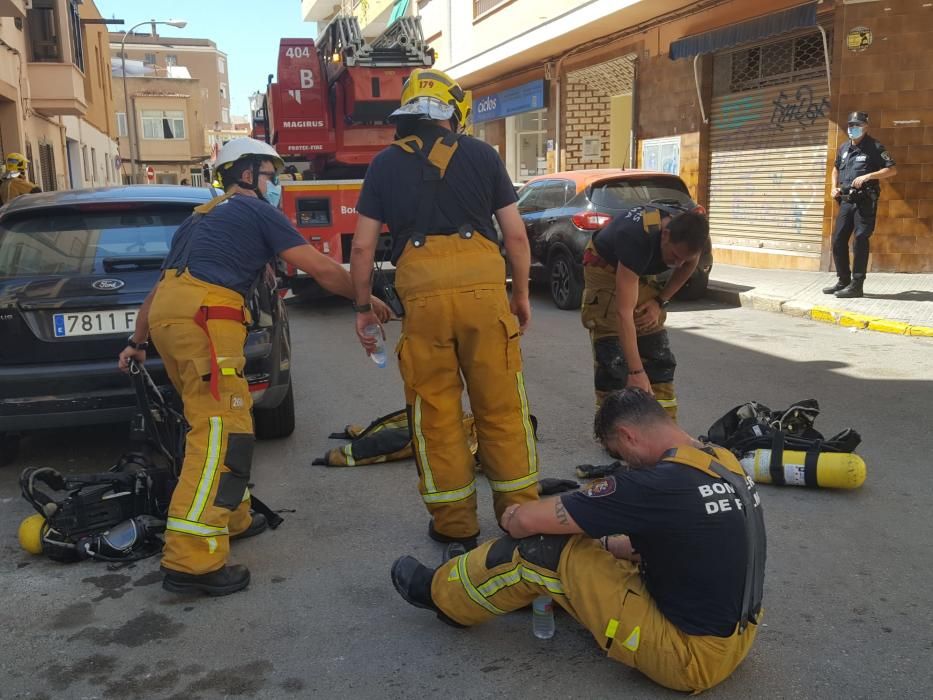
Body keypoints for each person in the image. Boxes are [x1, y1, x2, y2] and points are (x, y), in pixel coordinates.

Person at [118, 137, 390, 596]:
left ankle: (234, 516)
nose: (277, 184)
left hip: (172, 318)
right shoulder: (257, 211)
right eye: (271, 174)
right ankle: (191, 560)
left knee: (225, 421)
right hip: (207, 319)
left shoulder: (199, 219)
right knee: (219, 430)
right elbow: (321, 270)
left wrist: (137, 341)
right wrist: (365, 299)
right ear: (246, 174)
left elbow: (160, 288)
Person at [391, 388, 766, 693]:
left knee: (543, 551)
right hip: (734, 642)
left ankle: (445, 597)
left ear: (628, 436)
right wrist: (603, 544)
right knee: (601, 547)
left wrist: (517, 515)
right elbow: (678, 541)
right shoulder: (720, 461)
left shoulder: (652, 485)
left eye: (620, 455)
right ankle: (535, 593)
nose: (626, 464)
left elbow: (522, 522)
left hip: (686, 657)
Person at [349, 68, 538, 553]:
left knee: (436, 411)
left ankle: (455, 526)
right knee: (501, 407)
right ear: (455, 112)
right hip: (483, 288)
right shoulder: (483, 154)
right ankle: (521, 519)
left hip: (423, 294)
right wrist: (520, 295)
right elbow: (515, 235)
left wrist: (362, 306)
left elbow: (364, 248)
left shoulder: (383, 166)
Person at [581, 204, 709, 419]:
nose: (677, 264)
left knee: (656, 350)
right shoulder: (635, 238)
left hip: (641, 268)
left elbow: (689, 264)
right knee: (614, 356)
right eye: (675, 256)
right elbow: (624, 313)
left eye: (683, 259)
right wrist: (636, 372)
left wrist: (660, 301)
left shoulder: (692, 237)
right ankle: (614, 430)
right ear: (666, 235)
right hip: (606, 267)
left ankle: (664, 425)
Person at [823, 111, 896, 299]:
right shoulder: (843, 148)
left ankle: (857, 285)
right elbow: (835, 168)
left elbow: (891, 169)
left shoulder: (874, 146)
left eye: (856, 125)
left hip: (865, 202)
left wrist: (868, 176)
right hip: (846, 201)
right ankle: (843, 280)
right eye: (850, 125)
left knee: (860, 240)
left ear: (865, 127)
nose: (852, 129)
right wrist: (834, 188)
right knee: (838, 240)